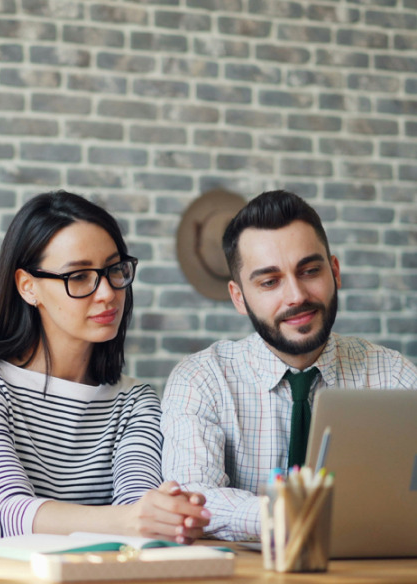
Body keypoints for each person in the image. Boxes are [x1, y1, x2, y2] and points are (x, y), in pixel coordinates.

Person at [0, 190, 211, 546]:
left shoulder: (135, 400)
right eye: (79, 276)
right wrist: (133, 519)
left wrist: (161, 515)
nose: (108, 293)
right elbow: (7, 511)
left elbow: (135, 507)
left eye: (114, 270)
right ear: (28, 286)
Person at [161, 190, 417, 542]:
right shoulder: (202, 380)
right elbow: (195, 499)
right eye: (270, 281)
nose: (296, 295)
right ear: (239, 297)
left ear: (335, 272)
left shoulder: (394, 374)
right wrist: (293, 515)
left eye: (310, 270)